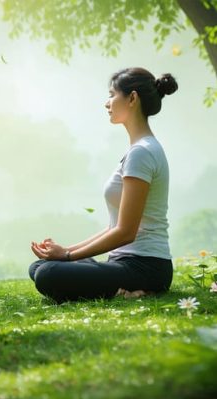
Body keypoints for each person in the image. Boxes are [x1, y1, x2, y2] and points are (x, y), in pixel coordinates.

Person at [28, 67, 178, 303]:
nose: (106, 103)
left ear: (132, 98)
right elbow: (115, 227)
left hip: (146, 267)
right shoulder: (138, 150)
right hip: (124, 262)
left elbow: (126, 232)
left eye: (111, 95)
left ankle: (135, 290)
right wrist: (66, 251)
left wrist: (67, 256)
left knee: (49, 274)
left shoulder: (143, 153)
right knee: (40, 266)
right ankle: (119, 289)